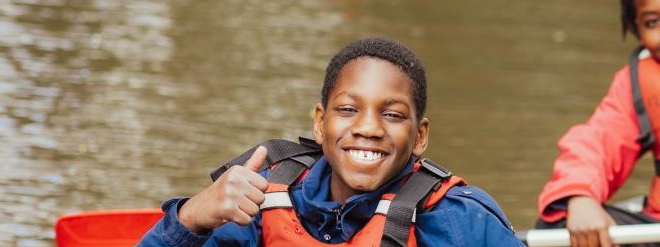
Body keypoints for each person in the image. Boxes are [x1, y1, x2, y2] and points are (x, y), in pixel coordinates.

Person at [137, 37, 522, 246]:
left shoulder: (457, 220)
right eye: (348, 110)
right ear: (321, 124)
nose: (368, 128)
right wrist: (190, 216)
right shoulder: (258, 204)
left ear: (420, 136)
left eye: (392, 114)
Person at [537, 0, 660, 246]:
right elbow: (597, 141)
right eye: (653, 22)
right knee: (558, 226)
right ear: (637, 27)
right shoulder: (638, 84)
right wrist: (580, 195)